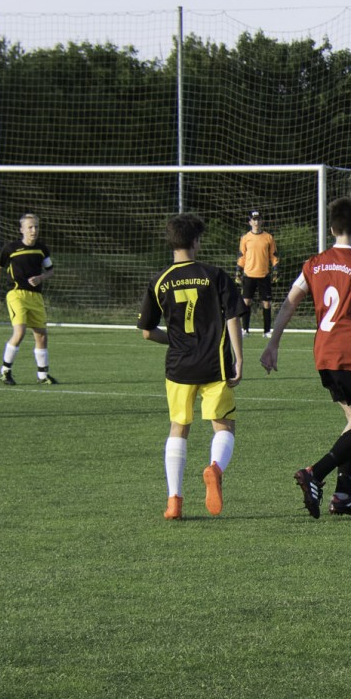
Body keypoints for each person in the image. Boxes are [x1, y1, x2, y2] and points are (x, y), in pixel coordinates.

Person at [261, 196, 351, 519]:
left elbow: (289, 302)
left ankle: (343, 495)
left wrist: (273, 344)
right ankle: (314, 473)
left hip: (323, 355)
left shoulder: (314, 263)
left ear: (331, 229)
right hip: (350, 355)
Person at [137, 213, 244, 521]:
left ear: (171, 242)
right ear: (196, 242)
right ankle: (215, 468)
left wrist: (174, 340)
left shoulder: (159, 281)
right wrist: (239, 358)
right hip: (214, 363)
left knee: (179, 427)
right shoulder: (214, 275)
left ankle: (174, 501)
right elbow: (232, 316)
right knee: (223, 425)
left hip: (179, 366)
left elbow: (147, 332)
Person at [0, 212, 59, 385]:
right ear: (22, 230)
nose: (34, 230)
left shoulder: (42, 249)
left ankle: (42, 376)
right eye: (30, 227)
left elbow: (50, 271)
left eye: (36, 227)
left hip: (36, 296)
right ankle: (5, 372)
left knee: (41, 335)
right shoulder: (11, 248)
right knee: (19, 332)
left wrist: (41, 278)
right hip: (16, 294)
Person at [236, 210, 278, 335]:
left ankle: (267, 331)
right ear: (250, 222)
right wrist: (238, 270)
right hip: (249, 274)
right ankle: (245, 329)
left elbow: (273, 255)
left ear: (262, 221)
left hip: (264, 274)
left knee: (267, 303)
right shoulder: (245, 238)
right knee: (246, 302)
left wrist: (276, 268)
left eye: (258, 219)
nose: (256, 222)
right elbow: (242, 256)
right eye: (254, 220)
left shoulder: (268, 237)